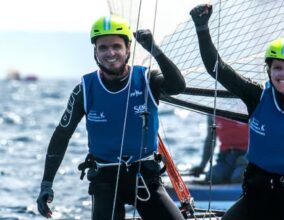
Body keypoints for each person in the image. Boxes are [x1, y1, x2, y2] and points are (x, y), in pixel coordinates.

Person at [190, 5, 284, 220]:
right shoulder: (256, 95)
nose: (283, 74)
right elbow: (216, 68)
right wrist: (202, 28)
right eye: (277, 67)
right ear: (268, 69)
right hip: (257, 196)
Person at [36, 15, 186, 220]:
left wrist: (154, 49)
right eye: (103, 48)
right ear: (95, 52)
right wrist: (46, 184)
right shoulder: (84, 90)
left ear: (128, 49)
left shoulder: (147, 79)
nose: (110, 53)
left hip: (145, 177)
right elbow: (61, 135)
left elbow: (178, 86)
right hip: (105, 181)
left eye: (116, 46)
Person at [191, 115, 248, 184]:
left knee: (238, 179)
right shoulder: (212, 112)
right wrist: (202, 166)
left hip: (246, 158)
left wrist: (248, 158)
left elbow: (261, 137)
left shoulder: (247, 108)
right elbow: (210, 141)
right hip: (225, 159)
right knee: (211, 179)